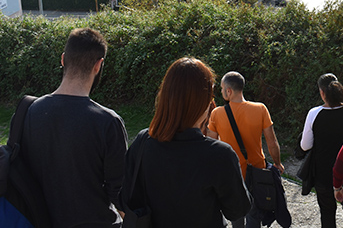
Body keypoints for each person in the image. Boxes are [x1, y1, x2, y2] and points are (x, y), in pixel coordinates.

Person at [122, 58, 251, 226]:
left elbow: (124, 198)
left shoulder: (143, 141)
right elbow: (237, 210)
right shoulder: (219, 154)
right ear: (205, 103)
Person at [22, 27, 128, 227]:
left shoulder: (30, 112)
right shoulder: (108, 122)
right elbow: (121, 193)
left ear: (63, 59)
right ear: (98, 65)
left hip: (41, 221)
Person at [208, 71, 285, 228]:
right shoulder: (260, 109)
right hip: (256, 171)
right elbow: (272, 141)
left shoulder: (217, 114)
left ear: (228, 91)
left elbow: (211, 145)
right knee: (254, 215)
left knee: (236, 216)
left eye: (222, 88)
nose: (222, 92)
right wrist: (277, 163)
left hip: (232, 173)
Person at [300, 74, 343, 228]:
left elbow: (305, 146)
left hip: (324, 173)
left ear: (321, 92)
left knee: (327, 214)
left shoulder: (314, 113)